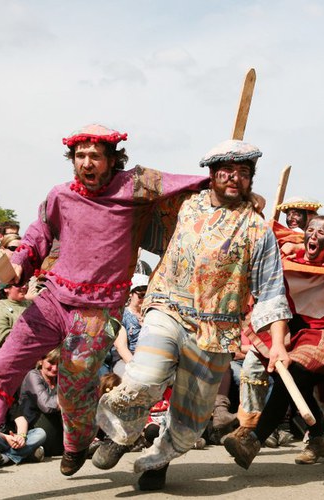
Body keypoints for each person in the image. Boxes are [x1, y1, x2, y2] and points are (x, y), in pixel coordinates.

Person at [0, 123, 206, 498]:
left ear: (111, 159)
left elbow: (192, 185)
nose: (86, 163)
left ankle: (76, 443)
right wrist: (19, 262)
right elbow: (39, 234)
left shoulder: (135, 185)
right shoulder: (60, 195)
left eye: (95, 156)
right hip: (52, 298)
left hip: (98, 313)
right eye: (80, 155)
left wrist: (235, 196)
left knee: (74, 391)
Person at [93, 139, 291, 491]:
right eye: (226, 171)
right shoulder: (182, 206)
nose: (234, 178)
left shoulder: (257, 229)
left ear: (251, 179)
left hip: (216, 328)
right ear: (211, 175)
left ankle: (158, 460)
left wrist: (277, 343)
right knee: (144, 377)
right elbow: (142, 194)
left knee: (191, 414)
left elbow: (271, 290)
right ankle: (119, 435)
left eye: (243, 173)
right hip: (167, 306)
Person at [223, 215, 324, 468]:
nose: (313, 235)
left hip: (322, 336)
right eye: (309, 231)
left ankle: (255, 440)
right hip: (291, 333)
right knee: (288, 379)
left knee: (296, 375)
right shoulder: (288, 260)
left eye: (321, 233)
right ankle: (318, 436)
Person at [19, 348, 62, 456]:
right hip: (35, 426)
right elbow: (46, 406)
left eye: (59, 364)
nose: (55, 368)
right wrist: (69, 398)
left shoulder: (61, 379)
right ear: (41, 360)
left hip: (56, 429)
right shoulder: (33, 375)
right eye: (51, 363)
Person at [111, 273, 147, 376]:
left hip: (148, 361)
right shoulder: (122, 316)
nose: (144, 299)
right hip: (125, 362)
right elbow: (121, 347)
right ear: (131, 293)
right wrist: (137, 369)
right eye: (141, 295)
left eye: (147, 295)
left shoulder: (150, 315)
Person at [0, 282, 30, 348]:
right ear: (6, 288)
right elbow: (1, 336)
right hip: (16, 349)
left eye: (26, 283)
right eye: (19, 285)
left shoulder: (30, 303)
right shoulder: (1, 306)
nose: (24, 287)